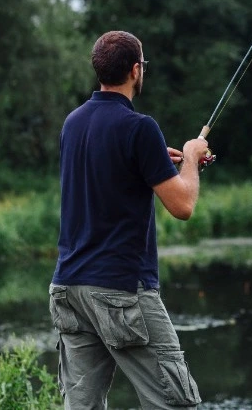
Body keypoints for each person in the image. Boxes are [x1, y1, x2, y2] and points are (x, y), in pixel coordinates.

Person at [48, 30, 208, 409]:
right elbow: (183, 206)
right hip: (120, 289)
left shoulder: (73, 123)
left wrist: (158, 161)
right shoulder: (140, 127)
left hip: (69, 288)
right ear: (136, 70)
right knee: (177, 403)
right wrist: (190, 156)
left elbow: (112, 172)